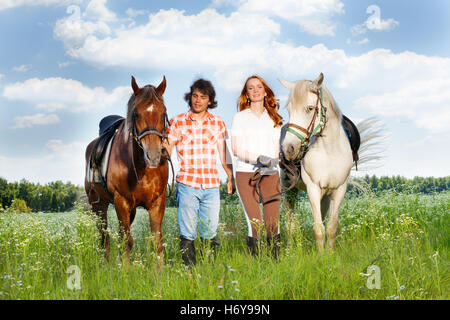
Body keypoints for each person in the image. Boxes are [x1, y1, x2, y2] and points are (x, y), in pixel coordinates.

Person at [165, 78, 235, 266]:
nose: (197, 100)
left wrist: (231, 177)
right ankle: (189, 271)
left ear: (209, 101)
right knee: (187, 231)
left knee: (210, 230)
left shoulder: (218, 123)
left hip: (211, 185)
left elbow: (223, 153)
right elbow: (167, 150)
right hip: (187, 183)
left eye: (202, 97)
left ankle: (208, 270)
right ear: (191, 97)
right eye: (195, 96)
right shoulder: (177, 121)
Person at [231, 75, 283, 259]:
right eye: (250, 88)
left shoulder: (274, 118)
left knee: (272, 224)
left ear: (265, 90)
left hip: (270, 174)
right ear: (246, 93)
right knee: (256, 223)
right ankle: (256, 264)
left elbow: (277, 150)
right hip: (246, 174)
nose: (255, 90)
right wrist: (260, 159)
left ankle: (274, 264)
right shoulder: (240, 117)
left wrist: (272, 164)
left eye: (259, 87)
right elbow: (236, 149)